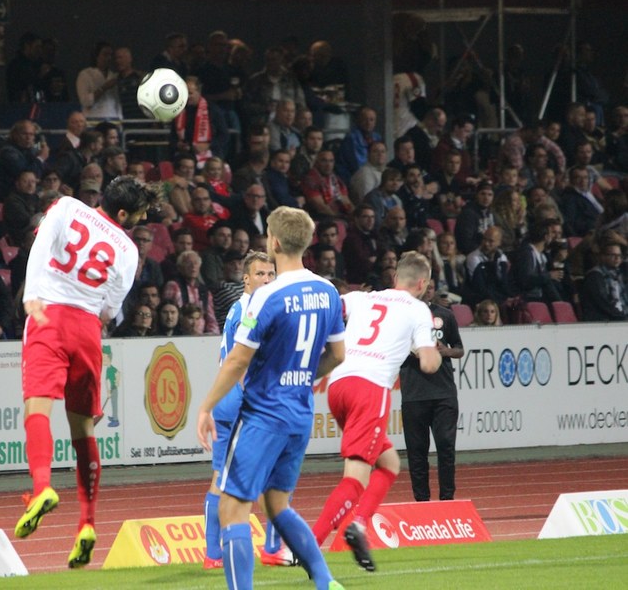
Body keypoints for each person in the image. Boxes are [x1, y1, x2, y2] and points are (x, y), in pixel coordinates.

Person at [196, 206, 346, 590]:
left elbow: (237, 360)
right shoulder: (328, 291)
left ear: (273, 241)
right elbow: (337, 355)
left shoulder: (265, 296)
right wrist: (299, 377)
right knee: (277, 504)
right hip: (300, 413)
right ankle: (326, 581)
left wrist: (206, 406)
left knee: (233, 505)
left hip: (264, 414)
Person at [14, 176, 157, 569]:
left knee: (37, 409)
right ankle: (88, 524)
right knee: (84, 430)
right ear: (123, 213)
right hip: (89, 331)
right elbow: (112, 308)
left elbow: (40, 245)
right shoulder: (127, 249)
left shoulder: (66, 206)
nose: (139, 222)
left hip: (49, 315)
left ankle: (42, 488)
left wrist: (32, 295)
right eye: (138, 215)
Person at [312, 251, 441, 573]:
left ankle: (359, 524)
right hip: (370, 389)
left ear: (395, 277)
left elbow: (329, 307)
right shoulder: (419, 310)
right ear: (422, 284)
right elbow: (428, 363)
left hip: (338, 384)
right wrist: (431, 350)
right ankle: (308, 546)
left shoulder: (362, 297)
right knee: (356, 478)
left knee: (389, 462)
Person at [202, 251, 280, 569]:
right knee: (266, 475)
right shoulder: (251, 311)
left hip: (226, 403)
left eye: (271, 274)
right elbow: (242, 362)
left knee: (221, 478)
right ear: (246, 279)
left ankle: (212, 555)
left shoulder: (239, 308)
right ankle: (274, 547)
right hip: (243, 404)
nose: (266, 280)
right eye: (260, 274)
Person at [400, 279, 464, 502]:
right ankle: (422, 501)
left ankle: (447, 499)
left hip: (443, 392)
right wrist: (409, 350)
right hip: (414, 394)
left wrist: (445, 351)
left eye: (431, 287)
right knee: (416, 452)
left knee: (446, 447)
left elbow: (459, 349)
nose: (428, 291)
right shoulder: (400, 317)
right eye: (424, 287)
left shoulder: (445, 315)